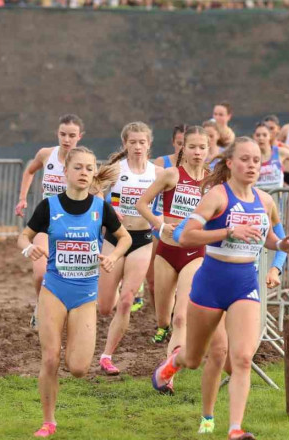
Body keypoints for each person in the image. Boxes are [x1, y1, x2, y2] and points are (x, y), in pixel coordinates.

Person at [151, 137, 289, 440]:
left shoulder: (265, 200)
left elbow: (269, 237)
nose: (251, 165)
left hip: (244, 283)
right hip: (210, 283)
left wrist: (282, 245)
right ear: (231, 164)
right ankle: (172, 363)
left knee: (242, 358)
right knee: (195, 359)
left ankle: (235, 428)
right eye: (245, 159)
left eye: (256, 161)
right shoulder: (217, 196)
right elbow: (186, 237)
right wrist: (228, 230)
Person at [19, 146, 131, 438]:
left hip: (84, 295)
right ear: (65, 171)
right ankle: (48, 422)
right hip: (54, 289)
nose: (84, 173)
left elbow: (125, 238)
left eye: (89, 168)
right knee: (50, 358)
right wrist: (28, 248)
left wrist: (113, 257)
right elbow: (24, 235)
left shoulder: (100, 208)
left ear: (94, 172)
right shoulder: (49, 206)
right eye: (78, 167)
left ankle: (70, 335)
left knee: (79, 368)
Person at [96, 122, 162, 376]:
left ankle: (107, 355)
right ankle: (107, 293)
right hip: (114, 239)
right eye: (132, 142)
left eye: (142, 142)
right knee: (104, 307)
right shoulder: (114, 169)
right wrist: (110, 210)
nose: (137, 146)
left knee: (126, 301)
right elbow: (94, 188)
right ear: (125, 144)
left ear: (149, 145)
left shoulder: (157, 172)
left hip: (143, 239)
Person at [135, 126, 209, 347]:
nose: (197, 152)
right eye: (192, 147)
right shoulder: (171, 175)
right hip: (166, 251)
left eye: (202, 147)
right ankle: (162, 327)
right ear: (183, 149)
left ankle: (174, 359)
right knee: (163, 316)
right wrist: (160, 223)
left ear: (208, 150)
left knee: (180, 315)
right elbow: (142, 204)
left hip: (195, 253)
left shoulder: (213, 181)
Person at [15, 114, 86, 329]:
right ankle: (40, 307)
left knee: (67, 278)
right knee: (40, 274)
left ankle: (66, 316)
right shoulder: (46, 154)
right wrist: (22, 198)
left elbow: (96, 190)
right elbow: (29, 170)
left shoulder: (82, 160)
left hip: (73, 226)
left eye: (72, 135)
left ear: (79, 137)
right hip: (46, 222)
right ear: (57, 133)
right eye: (63, 134)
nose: (66, 139)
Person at [140, 124, 189, 313]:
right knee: (153, 282)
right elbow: (146, 192)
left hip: (186, 232)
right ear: (173, 143)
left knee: (183, 286)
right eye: (179, 143)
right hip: (159, 228)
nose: (183, 149)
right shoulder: (163, 164)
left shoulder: (201, 170)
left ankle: (178, 319)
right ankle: (161, 321)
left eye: (188, 144)